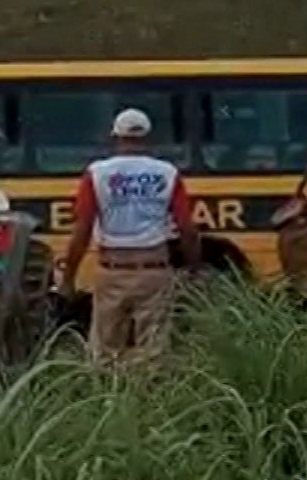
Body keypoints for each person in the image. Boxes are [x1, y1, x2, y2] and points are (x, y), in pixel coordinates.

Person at [57, 109, 202, 371]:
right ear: (148, 138)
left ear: (116, 137)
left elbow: (82, 230)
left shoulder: (97, 174)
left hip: (112, 272)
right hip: (154, 271)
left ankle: (109, 402)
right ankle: (149, 403)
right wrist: (194, 269)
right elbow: (187, 229)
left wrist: (68, 278)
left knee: (105, 352)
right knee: (153, 352)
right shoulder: (167, 173)